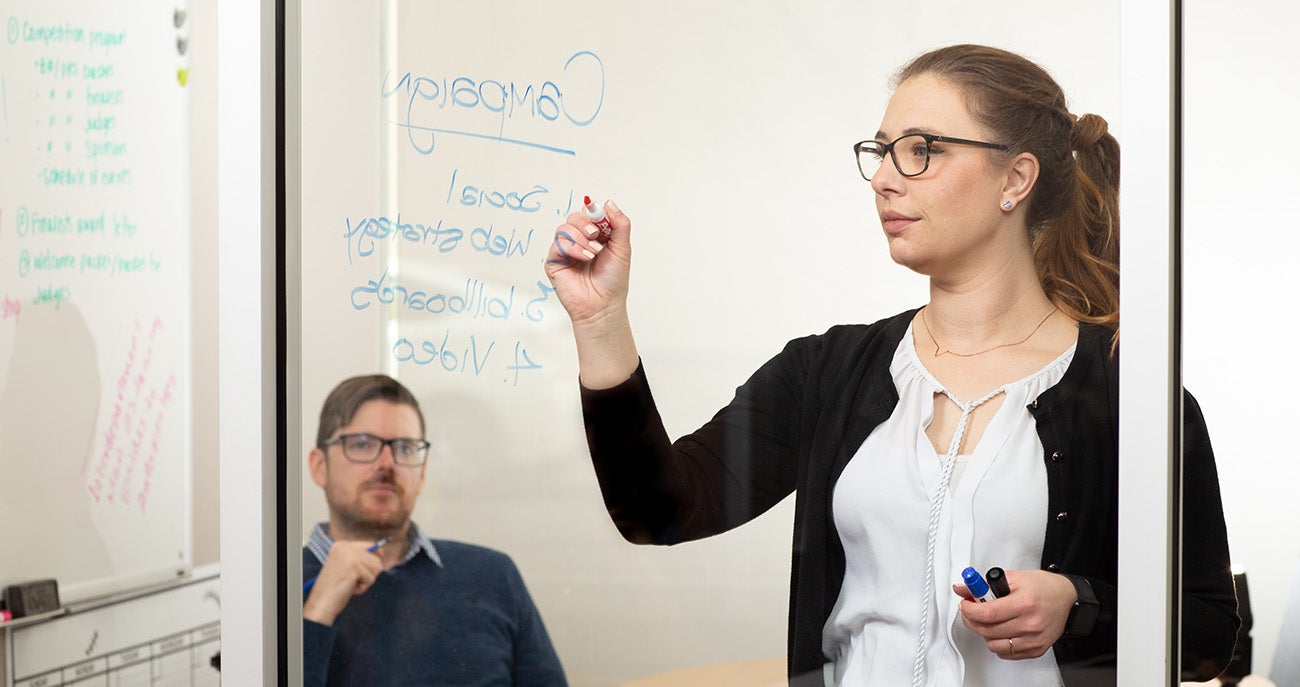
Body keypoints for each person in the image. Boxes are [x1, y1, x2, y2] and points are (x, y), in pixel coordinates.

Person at [543, 44, 1239, 686]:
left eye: (921, 150)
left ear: (1016, 178)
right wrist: (600, 321)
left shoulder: (1130, 395)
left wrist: (1076, 604)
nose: (882, 178)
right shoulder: (827, 371)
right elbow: (660, 510)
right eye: (881, 151)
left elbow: (1212, 630)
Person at [302, 374, 567, 686]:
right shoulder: (267, 590)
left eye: (405, 448)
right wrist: (317, 612)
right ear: (320, 467)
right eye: (362, 444)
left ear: (423, 472)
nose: (387, 463)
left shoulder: (493, 575)